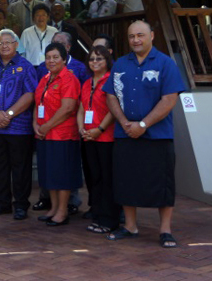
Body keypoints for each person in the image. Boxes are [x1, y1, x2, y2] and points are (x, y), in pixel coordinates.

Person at [104, 21, 184, 247]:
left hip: (158, 136)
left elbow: (169, 99)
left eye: (140, 35)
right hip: (125, 133)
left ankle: (165, 230)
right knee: (126, 181)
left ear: (152, 36)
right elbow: (110, 95)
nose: (136, 40)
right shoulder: (120, 64)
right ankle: (130, 226)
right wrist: (124, 123)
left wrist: (143, 124)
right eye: (132, 36)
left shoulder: (165, 63)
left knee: (163, 184)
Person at [0, 30, 38, 219]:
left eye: (7, 42)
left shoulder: (25, 66)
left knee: (20, 168)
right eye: (0, 43)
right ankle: (2, 203)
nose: (3, 46)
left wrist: (9, 114)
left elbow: (30, 94)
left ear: (16, 45)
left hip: (19, 127)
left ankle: (20, 205)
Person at [33, 42, 82, 227]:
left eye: (55, 57)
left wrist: (46, 126)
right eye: (48, 57)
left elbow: (68, 108)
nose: (51, 61)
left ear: (64, 59)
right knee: (50, 174)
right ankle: (53, 208)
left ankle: (62, 211)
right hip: (44, 135)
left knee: (62, 175)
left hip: (62, 135)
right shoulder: (45, 78)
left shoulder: (69, 79)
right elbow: (37, 103)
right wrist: (36, 124)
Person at [77, 45, 118, 233]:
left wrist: (99, 129)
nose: (95, 62)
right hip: (88, 137)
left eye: (99, 59)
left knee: (107, 178)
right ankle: (97, 215)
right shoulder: (87, 83)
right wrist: (81, 128)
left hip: (106, 137)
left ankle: (109, 220)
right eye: (92, 59)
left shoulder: (111, 81)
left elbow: (113, 110)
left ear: (107, 61)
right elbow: (81, 108)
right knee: (94, 178)